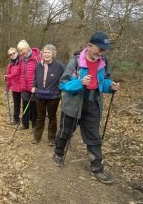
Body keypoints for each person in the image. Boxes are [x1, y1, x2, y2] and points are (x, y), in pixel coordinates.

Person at [53, 31, 120, 184]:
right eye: (100, 48)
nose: (102, 52)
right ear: (90, 46)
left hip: (93, 104)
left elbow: (105, 81)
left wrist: (111, 86)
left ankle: (97, 168)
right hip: (74, 104)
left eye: (105, 49)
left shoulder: (104, 63)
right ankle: (58, 153)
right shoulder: (76, 61)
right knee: (65, 132)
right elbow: (62, 84)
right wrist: (79, 83)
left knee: (94, 138)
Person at [31, 44, 65, 145]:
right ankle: (37, 138)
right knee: (40, 117)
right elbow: (35, 78)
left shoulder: (59, 66)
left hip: (53, 96)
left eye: (48, 52)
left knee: (52, 117)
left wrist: (62, 86)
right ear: (42, 53)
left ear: (53, 54)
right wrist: (34, 86)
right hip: (39, 95)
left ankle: (52, 138)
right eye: (45, 52)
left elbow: (68, 75)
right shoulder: (38, 65)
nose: (46, 54)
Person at [17, 40, 41, 130]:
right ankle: (25, 124)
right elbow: (20, 71)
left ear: (27, 49)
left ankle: (34, 124)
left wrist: (37, 85)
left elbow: (40, 72)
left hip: (34, 86)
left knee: (34, 106)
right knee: (25, 105)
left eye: (22, 51)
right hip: (24, 86)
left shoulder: (37, 58)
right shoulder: (21, 59)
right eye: (19, 51)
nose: (20, 53)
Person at [5, 47, 21, 125]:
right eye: (10, 54)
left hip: (23, 86)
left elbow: (17, 73)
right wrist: (7, 88)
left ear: (17, 53)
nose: (12, 55)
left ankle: (28, 120)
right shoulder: (9, 65)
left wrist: (9, 75)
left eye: (13, 53)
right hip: (15, 87)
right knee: (16, 104)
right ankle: (16, 119)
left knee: (27, 103)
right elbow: (8, 77)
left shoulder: (22, 61)